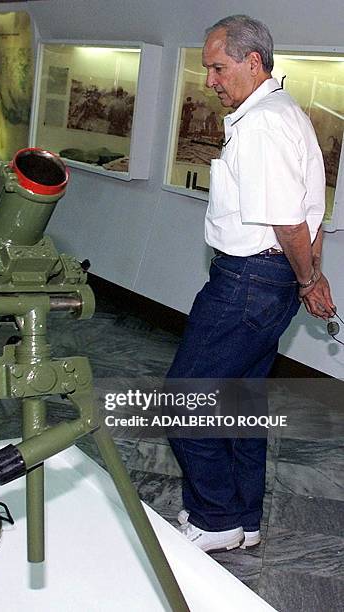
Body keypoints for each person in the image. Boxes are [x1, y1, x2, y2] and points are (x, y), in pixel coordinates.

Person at [167, 15, 334, 553]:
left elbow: (289, 220)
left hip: (248, 282)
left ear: (252, 62)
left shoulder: (262, 123)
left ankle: (215, 520)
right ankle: (242, 516)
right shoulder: (286, 113)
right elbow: (314, 211)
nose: (210, 79)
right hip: (273, 279)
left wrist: (308, 279)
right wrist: (308, 274)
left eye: (218, 67)